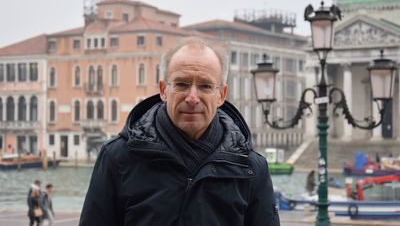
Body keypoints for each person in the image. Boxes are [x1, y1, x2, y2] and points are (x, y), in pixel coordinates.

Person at [79, 37, 280, 226]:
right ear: (163, 90)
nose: (192, 97)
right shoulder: (117, 158)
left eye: (205, 86)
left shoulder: (252, 168)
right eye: (182, 84)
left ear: (221, 95)